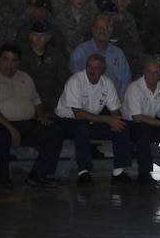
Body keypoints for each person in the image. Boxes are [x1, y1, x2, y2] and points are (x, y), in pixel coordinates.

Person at [0, 42, 62, 187]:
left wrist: (41, 117)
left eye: (14, 60)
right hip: (0, 122)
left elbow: (37, 101)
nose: (9, 64)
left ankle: (38, 173)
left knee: (53, 132)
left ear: (18, 62)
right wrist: (11, 129)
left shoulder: (25, 77)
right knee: (2, 136)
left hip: (26, 122)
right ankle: (3, 177)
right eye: (6, 59)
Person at [53, 53, 132, 186]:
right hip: (66, 121)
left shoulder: (107, 83)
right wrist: (108, 120)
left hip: (91, 120)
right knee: (82, 127)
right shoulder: (76, 81)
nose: (92, 70)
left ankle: (118, 172)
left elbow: (115, 110)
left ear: (103, 70)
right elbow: (78, 113)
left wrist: (115, 120)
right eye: (90, 66)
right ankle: (83, 172)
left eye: (96, 68)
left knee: (121, 126)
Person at [120, 56, 160, 185]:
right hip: (131, 125)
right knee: (143, 131)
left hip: (151, 122)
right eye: (149, 72)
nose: (152, 75)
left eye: (156, 72)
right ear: (144, 72)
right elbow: (137, 117)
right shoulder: (134, 88)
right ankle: (144, 173)